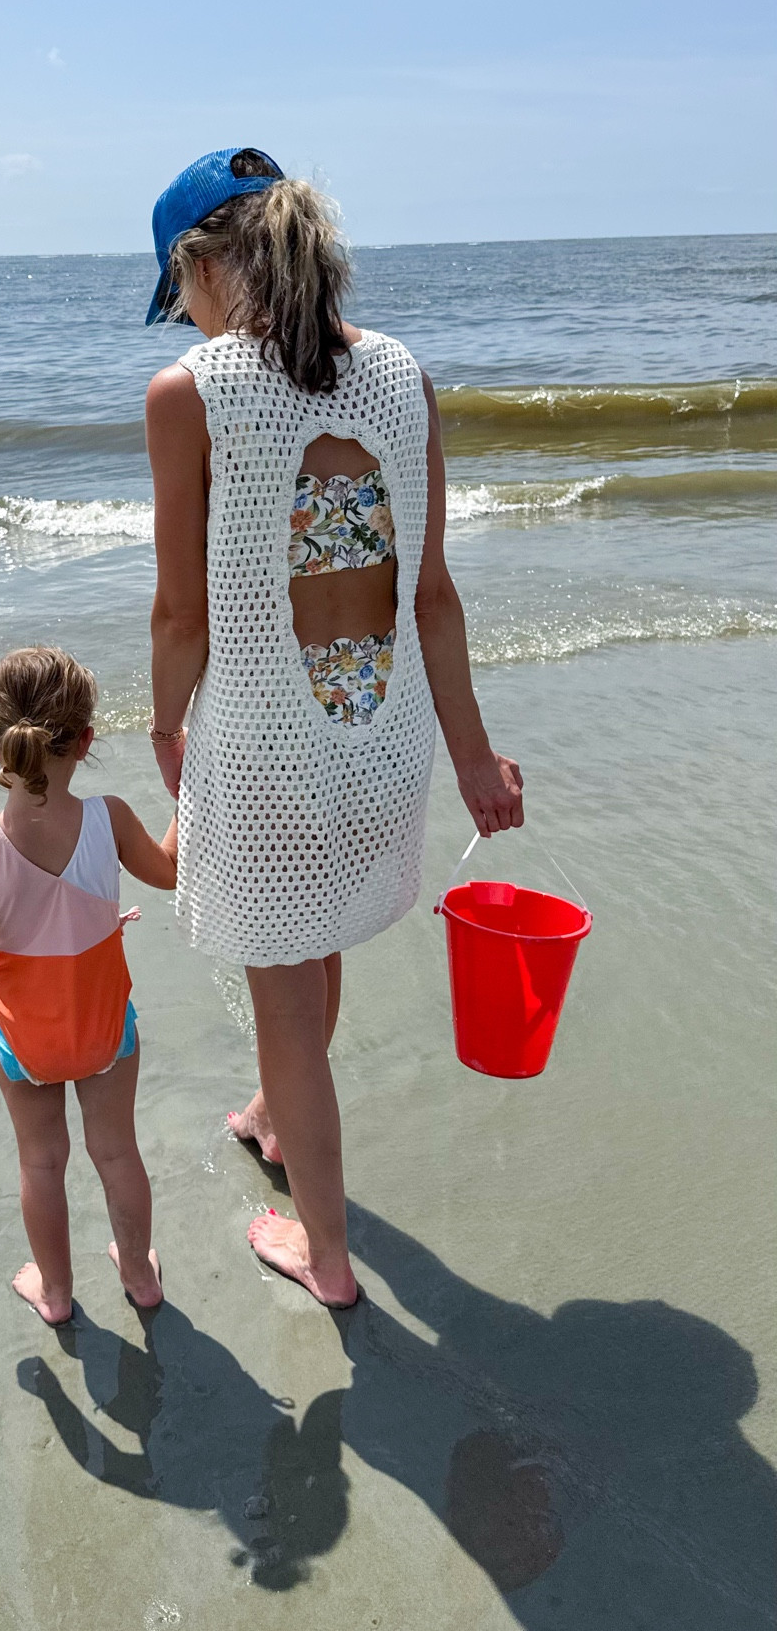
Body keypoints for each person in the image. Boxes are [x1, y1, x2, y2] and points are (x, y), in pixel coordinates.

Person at [144, 148, 524, 1309]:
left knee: (282, 992)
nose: (188, 314)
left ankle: (327, 1253)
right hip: (382, 735)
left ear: (204, 265)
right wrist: (471, 757)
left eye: (183, 290)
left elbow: (181, 608)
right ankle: (273, 1113)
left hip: (266, 745)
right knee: (317, 944)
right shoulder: (402, 373)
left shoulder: (191, 390)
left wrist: (165, 723)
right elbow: (434, 594)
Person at [0, 645, 178, 1326]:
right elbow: (170, 872)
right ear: (86, 739)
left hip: (27, 1042)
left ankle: (56, 1294)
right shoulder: (109, 819)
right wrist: (190, 793)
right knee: (116, 1151)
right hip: (105, 1030)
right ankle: (140, 1276)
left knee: (41, 1164)